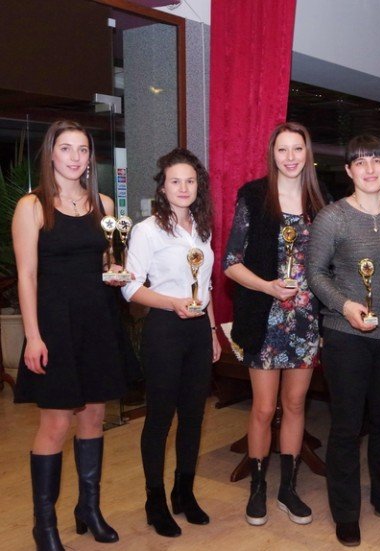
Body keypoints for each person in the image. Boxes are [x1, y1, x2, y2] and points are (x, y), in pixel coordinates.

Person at [13, 120, 127, 550]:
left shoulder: (103, 203)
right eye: (66, 148)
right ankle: (43, 525)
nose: (76, 157)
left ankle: (88, 509)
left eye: (82, 149)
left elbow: (105, 263)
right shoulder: (32, 206)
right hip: (54, 324)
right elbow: (26, 276)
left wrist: (115, 272)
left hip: (97, 319)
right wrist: (33, 336)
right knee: (56, 422)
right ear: (51, 153)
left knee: (94, 415)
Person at [308, 135, 380, 547]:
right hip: (345, 336)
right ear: (349, 170)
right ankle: (346, 512)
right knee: (346, 426)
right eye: (360, 162)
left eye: (376, 161)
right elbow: (315, 273)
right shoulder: (332, 217)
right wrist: (345, 305)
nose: (370, 169)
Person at [224, 122, 327, 527]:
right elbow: (231, 263)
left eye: (297, 149)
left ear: (307, 153)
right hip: (264, 318)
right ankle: (258, 488)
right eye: (282, 150)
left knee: (296, 405)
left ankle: (288, 488)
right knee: (265, 408)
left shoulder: (319, 199)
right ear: (273, 154)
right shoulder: (253, 195)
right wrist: (268, 286)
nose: (290, 157)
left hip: (306, 320)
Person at [122, 148, 221, 538]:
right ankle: (155, 500)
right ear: (162, 187)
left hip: (198, 332)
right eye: (175, 181)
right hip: (164, 328)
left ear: (199, 186)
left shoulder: (203, 228)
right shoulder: (147, 230)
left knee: (194, 416)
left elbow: (206, 287)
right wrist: (173, 303)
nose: (183, 187)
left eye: (190, 181)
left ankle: (184, 492)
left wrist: (212, 331)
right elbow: (130, 288)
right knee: (160, 418)